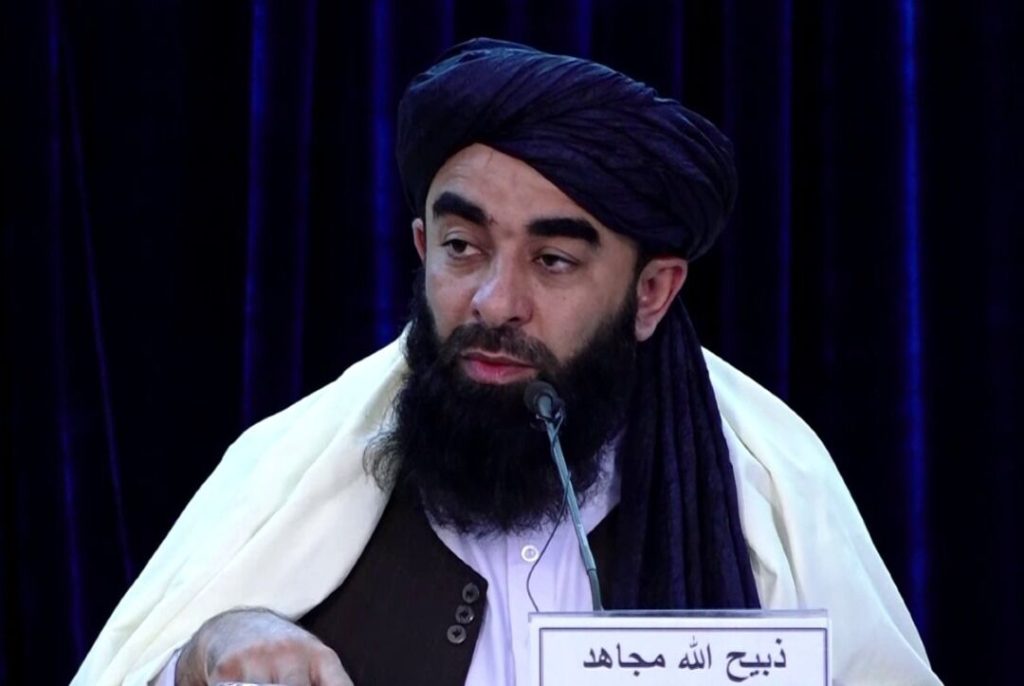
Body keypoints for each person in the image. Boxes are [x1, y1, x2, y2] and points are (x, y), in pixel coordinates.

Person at [73, 38, 940, 686]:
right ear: (422, 247)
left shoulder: (768, 484)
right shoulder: (293, 469)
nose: (494, 302)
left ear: (651, 293)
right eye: (463, 247)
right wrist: (205, 654)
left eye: (552, 261)